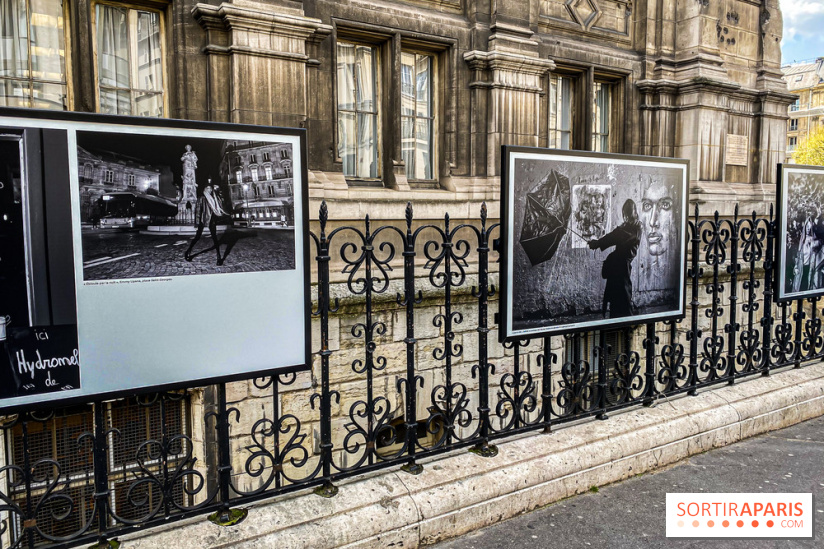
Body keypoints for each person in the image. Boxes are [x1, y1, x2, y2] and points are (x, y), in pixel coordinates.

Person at [588, 199, 642, 319]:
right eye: (625, 213)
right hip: (618, 266)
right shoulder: (628, 228)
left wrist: (597, 243)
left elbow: (616, 236)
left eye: (627, 213)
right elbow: (614, 236)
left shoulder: (635, 229)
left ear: (632, 212)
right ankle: (616, 319)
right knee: (615, 296)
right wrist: (597, 243)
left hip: (623, 267)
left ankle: (626, 322)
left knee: (624, 296)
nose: (626, 216)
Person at [185, 184, 227, 265]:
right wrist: (197, 223)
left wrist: (219, 196)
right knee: (197, 237)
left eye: (211, 188)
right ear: (205, 189)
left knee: (215, 238)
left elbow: (220, 207)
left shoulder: (215, 198)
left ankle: (219, 257)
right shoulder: (201, 198)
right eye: (208, 188)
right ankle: (188, 251)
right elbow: (198, 211)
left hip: (212, 220)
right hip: (202, 220)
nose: (210, 190)